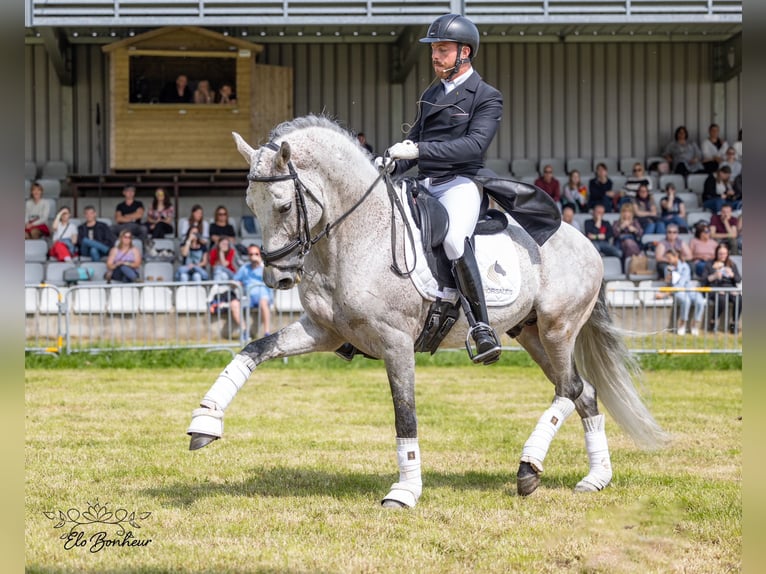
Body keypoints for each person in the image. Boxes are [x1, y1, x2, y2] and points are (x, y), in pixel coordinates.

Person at [384, 13, 507, 364]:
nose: (435, 56)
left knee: (454, 240)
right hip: (422, 184)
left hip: (460, 183)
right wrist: (391, 164)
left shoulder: (486, 96)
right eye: (434, 50)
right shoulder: (432, 93)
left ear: (464, 53)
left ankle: (481, 327)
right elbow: (414, 142)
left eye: (442, 49)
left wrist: (420, 151)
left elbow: (473, 146)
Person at [233, 244, 273, 337]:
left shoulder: (266, 267)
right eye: (251, 254)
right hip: (248, 297)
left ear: (260, 255)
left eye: (256, 254)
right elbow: (235, 281)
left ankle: (267, 332)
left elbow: (272, 278)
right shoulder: (244, 268)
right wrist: (237, 284)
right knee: (234, 304)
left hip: (263, 296)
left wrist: (261, 264)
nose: (253, 256)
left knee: (263, 302)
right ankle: (244, 331)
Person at [701, 242, 742, 333]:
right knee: (722, 299)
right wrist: (714, 276)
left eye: (724, 253)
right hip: (715, 289)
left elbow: (738, 279)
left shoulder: (731, 264)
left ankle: (734, 324)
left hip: (730, 289)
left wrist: (732, 275)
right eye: (720, 253)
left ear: (727, 254)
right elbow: (704, 280)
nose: (722, 255)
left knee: (739, 299)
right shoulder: (710, 264)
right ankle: (713, 322)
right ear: (716, 253)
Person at [664, 249, 705, 336]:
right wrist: (668, 279)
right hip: (677, 291)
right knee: (686, 301)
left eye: (669, 258)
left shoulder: (685, 266)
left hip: (687, 289)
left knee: (700, 301)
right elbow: (668, 283)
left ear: (676, 257)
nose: (668, 260)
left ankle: (694, 324)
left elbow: (682, 282)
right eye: (667, 258)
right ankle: (682, 324)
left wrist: (667, 292)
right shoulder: (667, 268)